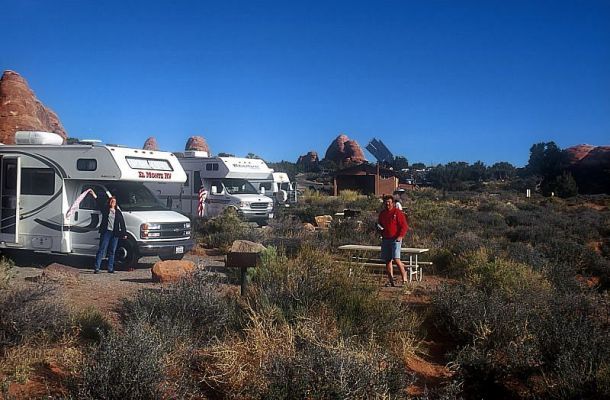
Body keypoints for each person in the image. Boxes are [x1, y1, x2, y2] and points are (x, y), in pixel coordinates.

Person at [378, 194, 409, 287]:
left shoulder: (398, 213)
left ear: (393, 203)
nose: (387, 204)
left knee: (396, 258)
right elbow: (379, 224)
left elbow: (404, 226)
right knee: (387, 260)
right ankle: (391, 280)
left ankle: (404, 279)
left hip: (395, 239)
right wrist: (379, 230)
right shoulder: (382, 214)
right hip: (386, 238)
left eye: (389, 202)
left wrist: (400, 236)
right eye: (386, 202)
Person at [93, 194, 127, 274]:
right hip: (106, 232)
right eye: (111, 201)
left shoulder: (118, 212)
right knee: (102, 249)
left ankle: (110, 268)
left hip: (115, 233)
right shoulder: (105, 210)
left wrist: (124, 233)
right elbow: (99, 202)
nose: (113, 202)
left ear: (116, 203)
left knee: (112, 251)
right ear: (109, 202)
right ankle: (97, 267)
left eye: (114, 201)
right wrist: (94, 195)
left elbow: (122, 223)